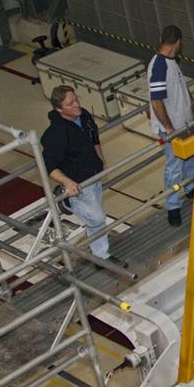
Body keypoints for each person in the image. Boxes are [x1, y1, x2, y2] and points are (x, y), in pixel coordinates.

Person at [41, 86, 112, 260]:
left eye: (76, 99)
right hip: (78, 182)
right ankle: (67, 202)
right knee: (97, 217)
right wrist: (67, 183)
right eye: (70, 103)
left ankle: (101, 255)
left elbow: (94, 137)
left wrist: (101, 160)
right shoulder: (55, 134)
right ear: (59, 109)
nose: (76, 105)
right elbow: (49, 166)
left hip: (94, 174)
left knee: (97, 219)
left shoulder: (84, 116)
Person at [148, 25, 194, 226]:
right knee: (174, 168)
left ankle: (190, 188)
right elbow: (156, 101)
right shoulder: (160, 65)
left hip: (184, 124)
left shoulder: (170, 63)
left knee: (189, 160)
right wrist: (169, 128)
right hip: (174, 128)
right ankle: (173, 206)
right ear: (178, 43)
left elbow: (181, 88)